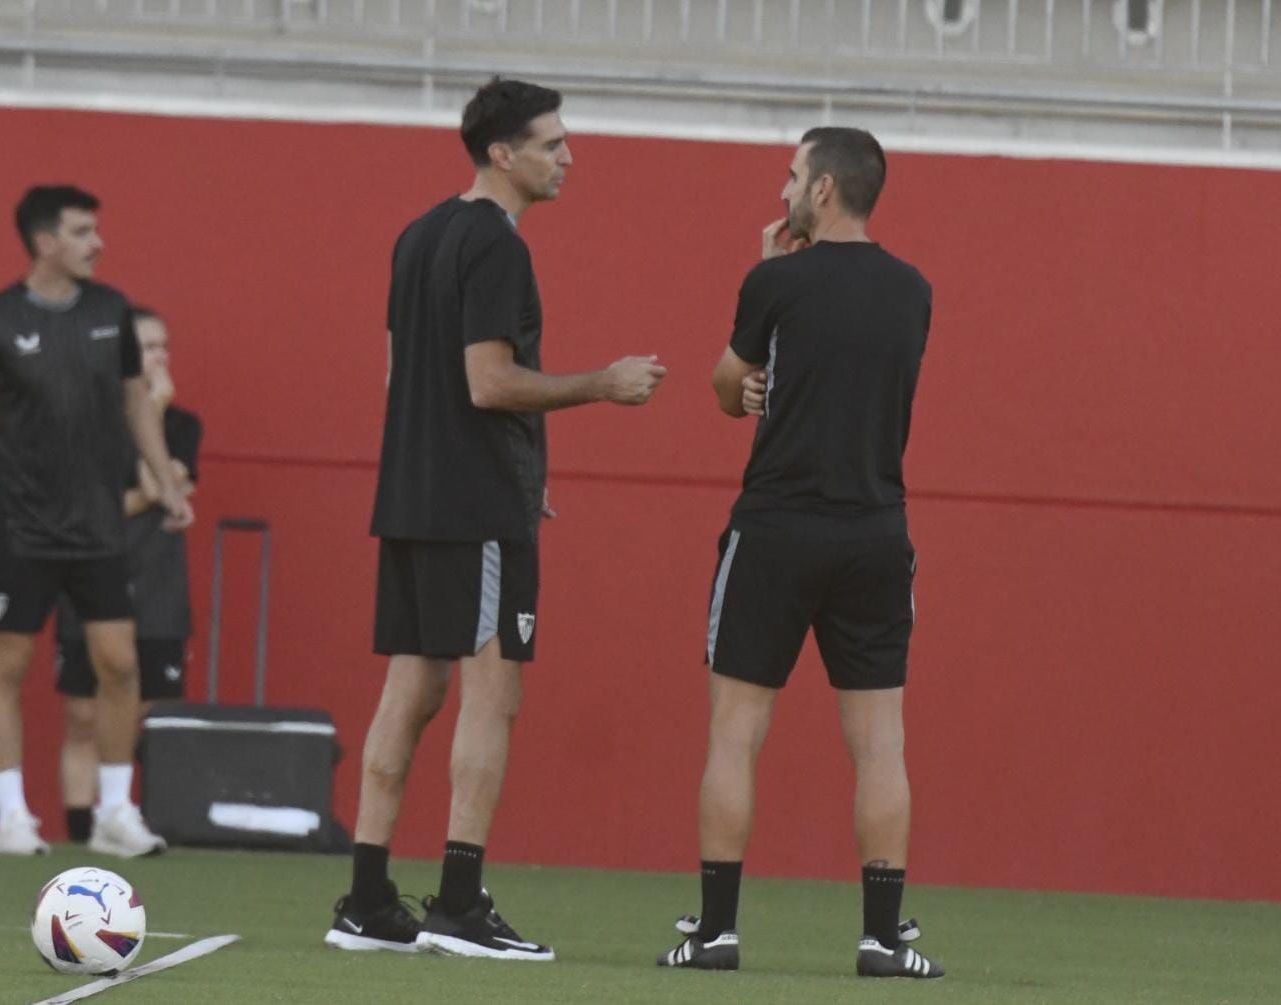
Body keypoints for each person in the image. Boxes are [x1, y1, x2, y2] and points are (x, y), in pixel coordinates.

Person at [324, 77, 668, 961]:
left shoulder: (417, 234)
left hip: (413, 497)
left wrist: (512, 468)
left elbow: (404, 378)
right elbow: (487, 382)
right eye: (552, 144)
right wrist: (604, 383)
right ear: (501, 154)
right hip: (471, 508)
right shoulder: (498, 248)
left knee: (412, 688)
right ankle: (461, 903)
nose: (568, 157)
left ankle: (365, 900)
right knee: (494, 690)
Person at [657, 128, 943, 978]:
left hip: (776, 527)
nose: (782, 189)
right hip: (873, 531)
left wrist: (767, 282)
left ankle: (714, 934)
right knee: (881, 743)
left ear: (822, 190)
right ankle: (883, 941)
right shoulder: (914, 290)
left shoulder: (774, 279)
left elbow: (725, 387)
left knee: (736, 735)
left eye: (791, 176)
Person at [0, 185, 192, 858]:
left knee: (118, 663)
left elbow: (137, 403)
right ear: (45, 240)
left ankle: (114, 811)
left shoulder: (112, 312)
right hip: (18, 528)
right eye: (83, 232)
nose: (97, 242)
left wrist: (166, 482)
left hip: (99, 526)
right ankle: (13, 817)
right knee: (7, 665)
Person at [53, 307, 202, 846]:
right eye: (146, 346)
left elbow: (162, 484)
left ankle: (129, 817)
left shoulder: (183, 424)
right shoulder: (86, 423)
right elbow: (105, 507)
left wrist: (155, 412)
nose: (159, 356)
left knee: (145, 712)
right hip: (90, 577)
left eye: (164, 345)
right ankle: (79, 828)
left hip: (159, 586)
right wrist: (151, 493)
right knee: (83, 712)